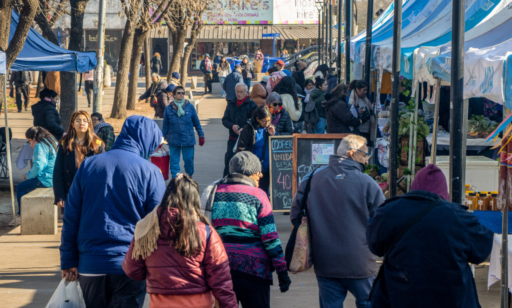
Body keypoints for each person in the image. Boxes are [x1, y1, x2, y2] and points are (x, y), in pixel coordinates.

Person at [60, 116, 166, 308]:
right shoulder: (150, 172)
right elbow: (158, 224)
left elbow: (71, 216)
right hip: (131, 265)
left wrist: (68, 260)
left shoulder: (88, 165)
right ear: (146, 139)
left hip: (90, 265)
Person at [367, 164, 493, 308]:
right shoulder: (458, 217)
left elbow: (374, 246)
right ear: (444, 190)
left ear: (414, 186)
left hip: (397, 297)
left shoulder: (388, 211)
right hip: (451, 299)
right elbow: (481, 253)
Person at [291, 134, 384, 308]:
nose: (366, 161)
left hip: (325, 261)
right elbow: (383, 222)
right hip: (360, 262)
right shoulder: (367, 183)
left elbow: (295, 215)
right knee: (368, 303)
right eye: (364, 155)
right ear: (352, 154)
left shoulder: (311, 179)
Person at [123, 174, 238, 308]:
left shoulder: (146, 229)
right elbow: (221, 280)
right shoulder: (205, 233)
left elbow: (132, 270)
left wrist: (156, 275)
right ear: (194, 201)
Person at [211, 151, 291, 308]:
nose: (260, 176)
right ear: (251, 173)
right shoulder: (258, 195)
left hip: (220, 270)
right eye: (258, 172)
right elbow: (270, 238)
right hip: (254, 271)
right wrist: (282, 271)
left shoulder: (213, 193)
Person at [53, 111, 105, 209]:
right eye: (78, 120)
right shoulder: (65, 143)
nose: (81, 123)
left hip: (92, 193)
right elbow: (58, 171)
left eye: (85, 121)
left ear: (89, 124)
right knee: (71, 223)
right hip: (70, 192)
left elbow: (103, 172)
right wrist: (59, 196)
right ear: (72, 124)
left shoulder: (97, 144)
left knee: (89, 223)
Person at [10, 127, 57, 226]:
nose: (30, 144)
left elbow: (39, 165)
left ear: (35, 137)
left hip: (47, 179)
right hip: (54, 178)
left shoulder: (40, 145)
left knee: (20, 187)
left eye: (30, 141)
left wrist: (28, 176)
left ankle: (21, 216)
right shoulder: (51, 141)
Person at [162, 86, 205, 178]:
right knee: (174, 162)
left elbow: (196, 123)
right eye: (179, 93)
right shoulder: (168, 109)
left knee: (188, 160)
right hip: (173, 139)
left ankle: (189, 177)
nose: (181, 94)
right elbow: (165, 126)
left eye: (183, 93)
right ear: (173, 95)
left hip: (188, 139)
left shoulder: (190, 107)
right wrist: (162, 138)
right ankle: (176, 181)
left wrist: (201, 135)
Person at [235, 106, 275, 194]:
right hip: (253, 170)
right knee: (253, 193)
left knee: (264, 193)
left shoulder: (270, 129)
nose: (267, 123)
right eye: (264, 121)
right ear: (257, 119)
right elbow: (241, 149)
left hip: (268, 169)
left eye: (269, 120)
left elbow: (279, 146)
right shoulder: (248, 129)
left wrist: (274, 136)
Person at [222, 83, 257, 177]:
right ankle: (226, 182)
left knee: (244, 163)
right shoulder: (231, 104)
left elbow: (254, 121)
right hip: (232, 139)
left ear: (247, 92)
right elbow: (225, 119)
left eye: (241, 92)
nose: (239, 94)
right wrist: (232, 125)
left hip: (245, 141)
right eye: (237, 92)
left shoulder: (252, 105)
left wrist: (245, 128)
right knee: (229, 161)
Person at [348, 80, 374, 145]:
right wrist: (357, 111)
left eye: (366, 90)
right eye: (364, 90)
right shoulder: (350, 98)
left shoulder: (366, 99)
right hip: (358, 131)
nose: (365, 92)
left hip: (367, 130)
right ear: (357, 89)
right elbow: (348, 113)